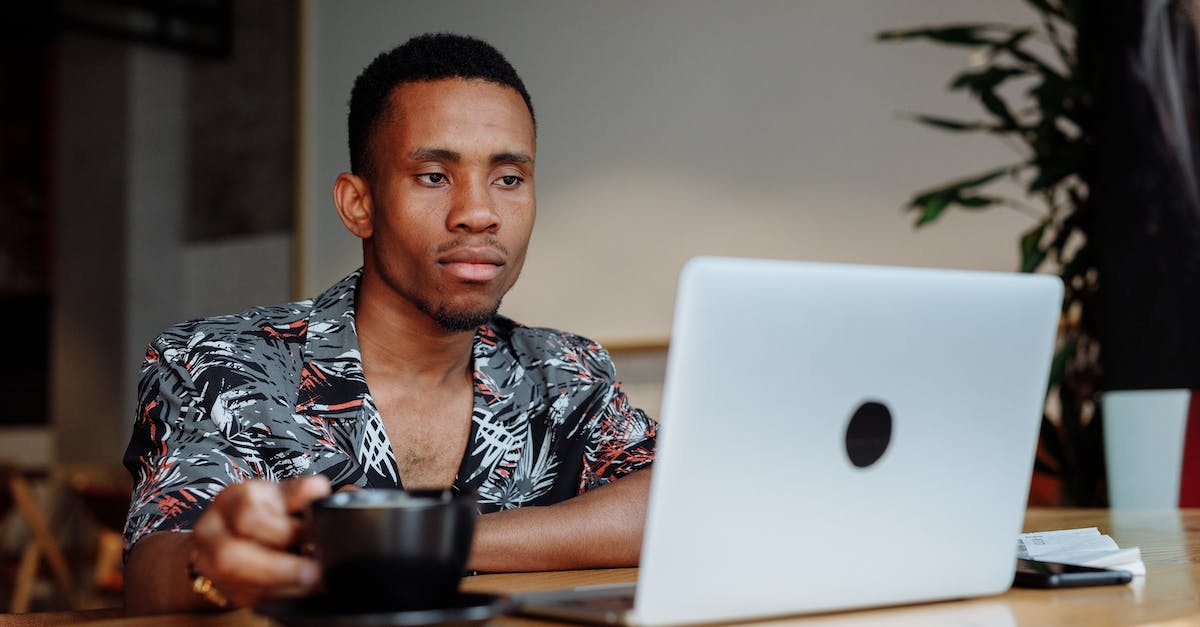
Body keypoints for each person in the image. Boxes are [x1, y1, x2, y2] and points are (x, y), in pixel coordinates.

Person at [122, 33, 658, 614]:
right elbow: (155, 568)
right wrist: (207, 563)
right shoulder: (218, 362)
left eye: (508, 178)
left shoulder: (564, 369)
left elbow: (680, 499)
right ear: (360, 204)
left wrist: (421, 540)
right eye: (434, 176)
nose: (479, 213)